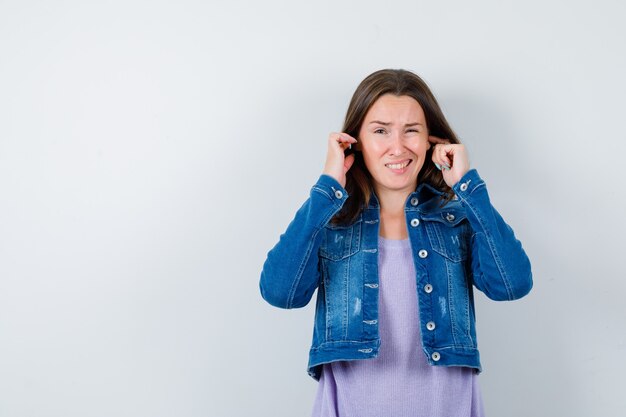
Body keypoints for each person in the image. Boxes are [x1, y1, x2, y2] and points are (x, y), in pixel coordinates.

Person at [259, 69, 533, 417]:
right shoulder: (331, 220)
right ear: (354, 139)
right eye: (380, 131)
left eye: (412, 131)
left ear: (432, 140)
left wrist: (466, 185)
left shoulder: (457, 219)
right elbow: (280, 292)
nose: (398, 147)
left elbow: (512, 285)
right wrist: (328, 184)